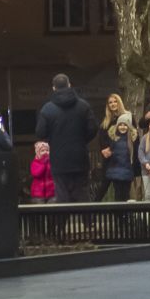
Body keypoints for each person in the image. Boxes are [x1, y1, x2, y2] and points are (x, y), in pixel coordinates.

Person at [36, 74, 95, 203]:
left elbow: (40, 132)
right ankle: (88, 222)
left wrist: (54, 139)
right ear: (69, 85)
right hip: (80, 156)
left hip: (58, 158)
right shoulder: (83, 106)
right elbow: (92, 129)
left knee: (61, 193)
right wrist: (81, 140)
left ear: (53, 88)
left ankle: (60, 223)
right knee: (82, 191)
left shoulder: (47, 109)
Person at [96, 93, 128, 200]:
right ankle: (90, 213)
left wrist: (112, 148)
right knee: (103, 187)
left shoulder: (127, 117)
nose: (113, 104)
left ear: (119, 102)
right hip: (108, 160)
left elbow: (129, 137)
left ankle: (121, 215)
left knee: (120, 190)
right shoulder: (105, 122)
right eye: (110, 102)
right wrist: (103, 150)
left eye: (115, 101)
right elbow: (101, 139)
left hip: (122, 160)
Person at [101, 112, 138, 201]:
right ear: (117, 126)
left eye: (125, 125)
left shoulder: (132, 138)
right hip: (116, 170)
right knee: (118, 194)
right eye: (120, 124)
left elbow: (135, 154)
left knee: (126, 194)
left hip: (127, 170)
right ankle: (119, 214)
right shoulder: (113, 137)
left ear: (128, 126)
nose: (122, 127)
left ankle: (125, 214)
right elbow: (108, 151)